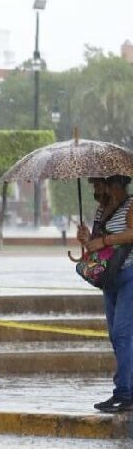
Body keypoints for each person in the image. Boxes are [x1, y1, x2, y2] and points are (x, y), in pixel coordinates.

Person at [78, 175, 133, 413]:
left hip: (130, 275)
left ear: (116, 186)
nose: (96, 190)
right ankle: (125, 390)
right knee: (116, 335)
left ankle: (125, 393)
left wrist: (103, 240)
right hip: (109, 279)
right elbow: (97, 244)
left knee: (122, 333)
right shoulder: (101, 211)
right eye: (94, 186)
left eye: (100, 185)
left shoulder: (131, 205)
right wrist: (87, 239)